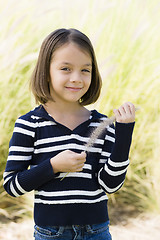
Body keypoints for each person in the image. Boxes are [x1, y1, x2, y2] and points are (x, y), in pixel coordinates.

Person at [3, 28, 135, 240]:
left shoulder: (102, 124)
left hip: (97, 232)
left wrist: (124, 133)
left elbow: (111, 185)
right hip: (51, 233)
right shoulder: (29, 124)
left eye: (85, 70)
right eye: (65, 68)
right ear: (46, 72)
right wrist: (53, 166)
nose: (77, 78)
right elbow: (12, 185)